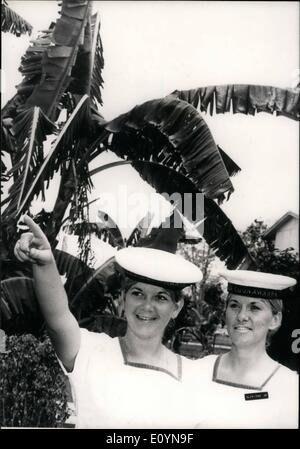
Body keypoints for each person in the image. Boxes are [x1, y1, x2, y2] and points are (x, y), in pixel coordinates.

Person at [14, 214, 204, 429]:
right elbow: (57, 318)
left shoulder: (193, 376)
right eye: (138, 293)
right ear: (123, 298)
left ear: (176, 307)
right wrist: (45, 263)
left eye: (161, 297)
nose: (147, 306)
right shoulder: (91, 352)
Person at [194, 269, 299, 429]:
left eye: (255, 307)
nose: (242, 316)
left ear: (275, 320)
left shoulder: (290, 386)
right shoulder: (198, 371)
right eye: (235, 305)